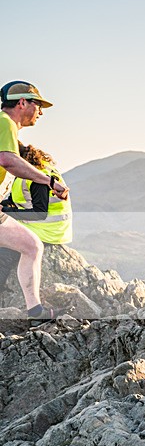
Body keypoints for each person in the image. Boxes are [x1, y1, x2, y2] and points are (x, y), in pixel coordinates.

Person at [0, 80, 69, 326]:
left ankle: (35, 310)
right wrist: (50, 182)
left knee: (31, 246)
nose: (40, 112)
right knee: (31, 246)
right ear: (21, 103)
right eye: (37, 105)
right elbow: (8, 161)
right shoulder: (5, 122)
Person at [0, 143, 72, 288]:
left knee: (4, 256)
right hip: (43, 226)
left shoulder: (37, 176)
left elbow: (39, 213)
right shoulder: (28, 172)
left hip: (47, 230)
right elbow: (19, 200)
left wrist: (5, 212)